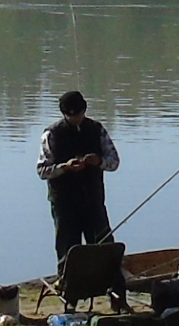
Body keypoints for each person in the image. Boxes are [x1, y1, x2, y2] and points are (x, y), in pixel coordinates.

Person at [39, 88, 119, 257]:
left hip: (93, 200)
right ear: (64, 114)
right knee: (68, 250)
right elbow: (42, 171)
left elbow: (114, 162)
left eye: (79, 114)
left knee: (103, 246)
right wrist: (65, 167)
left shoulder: (96, 130)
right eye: (71, 116)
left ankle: (110, 282)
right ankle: (67, 281)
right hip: (64, 203)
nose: (76, 118)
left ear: (84, 110)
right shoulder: (51, 134)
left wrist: (99, 161)